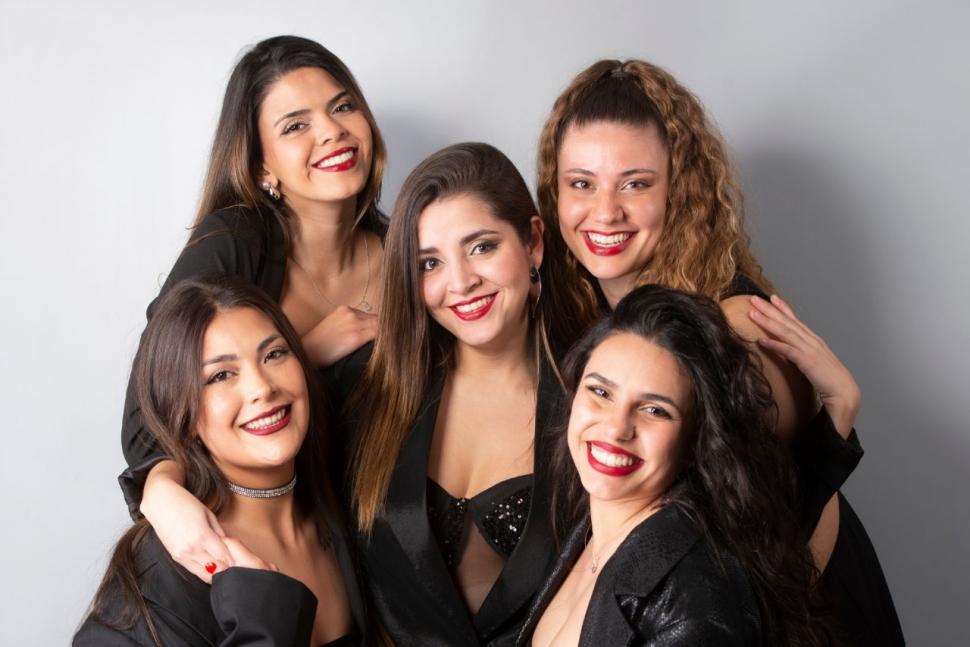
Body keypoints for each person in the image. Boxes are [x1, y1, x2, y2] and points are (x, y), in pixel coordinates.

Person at [536, 59, 902, 644]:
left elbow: (767, 531)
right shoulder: (602, 324)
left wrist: (838, 419)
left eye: (635, 183)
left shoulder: (737, 327)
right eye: (581, 183)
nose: (605, 212)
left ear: (679, 189)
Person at [120, 35, 388, 581]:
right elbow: (152, 407)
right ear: (261, 163)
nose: (331, 131)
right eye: (295, 125)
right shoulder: (234, 243)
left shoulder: (408, 251)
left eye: (342, 107)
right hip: (263, 554)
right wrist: (305, 352)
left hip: (379, 549)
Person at [343, 142, 598, 645]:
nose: (460, 283)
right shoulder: (370, 389)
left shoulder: (596, 394)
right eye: (429, 264)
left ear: (532, 243)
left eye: (481, 247)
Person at [519, 285, 831, 646]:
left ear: (695, 440)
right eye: (601, 392)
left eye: (654, 410)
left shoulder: (695, 597)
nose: (617, 428)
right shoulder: (588, 532)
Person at [76, 277, 365, 646]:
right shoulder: (158, 579)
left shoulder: (341, 509)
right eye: (221, 375)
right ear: (183, 415)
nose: (262, 387)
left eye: (274, 354)